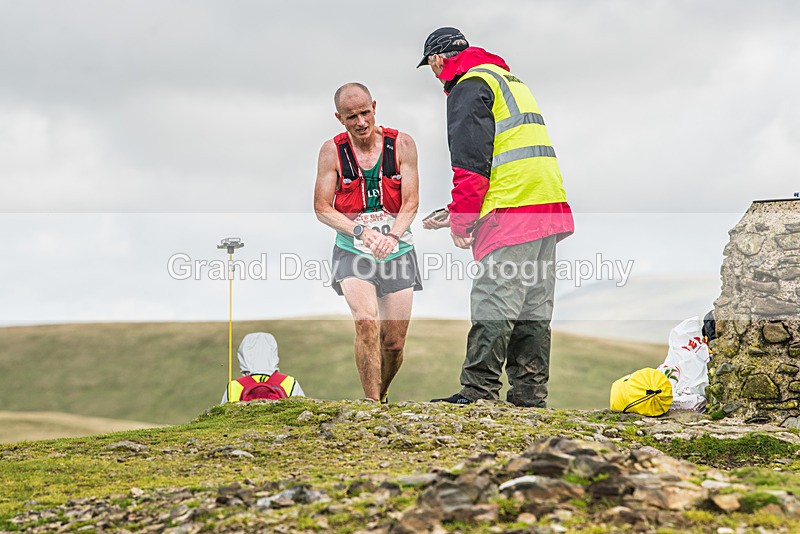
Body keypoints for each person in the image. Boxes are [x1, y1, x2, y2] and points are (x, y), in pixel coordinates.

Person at [418, 27, 574, 407]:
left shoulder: (468, 87)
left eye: (431, 67)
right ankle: (529, 396)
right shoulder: (508, 80)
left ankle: (478, 392)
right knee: (533, 309)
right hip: (546, 205)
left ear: (438, 60)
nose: (435, 74)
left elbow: (472, 168)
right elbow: (507, 153)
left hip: (512, 208)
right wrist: (456, 209)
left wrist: (462, 223)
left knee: (495, 302)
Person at [313, 83, 421, 403]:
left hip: (398, 249)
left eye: (365, 113)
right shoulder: (331, 152)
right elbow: (321, 208)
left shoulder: (402, 144)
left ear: (374, 107)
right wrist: (361, 232)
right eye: (351, 117)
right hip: (352, 249)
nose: (361, 122)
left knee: (394, 343)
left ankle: (383, 394)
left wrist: (392, 236)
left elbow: (411, 203)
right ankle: (371, 404)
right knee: (365, 321)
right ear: (339, 118)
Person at [221, 332, 305, 403]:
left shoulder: (234, 386)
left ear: (243, 355)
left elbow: (221, 419)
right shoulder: (290, 382)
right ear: (274, 353)